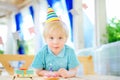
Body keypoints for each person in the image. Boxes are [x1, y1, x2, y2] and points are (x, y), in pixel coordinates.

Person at [32, 7, 79, 78]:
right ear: (45, 39)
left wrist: (68, 73)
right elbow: (37, 71)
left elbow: (74, 70)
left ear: (66, 39)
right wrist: (49, 73)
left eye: (60, 38)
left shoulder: (70, 52)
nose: (55, 42)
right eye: (51, 38)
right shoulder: (42, 53)